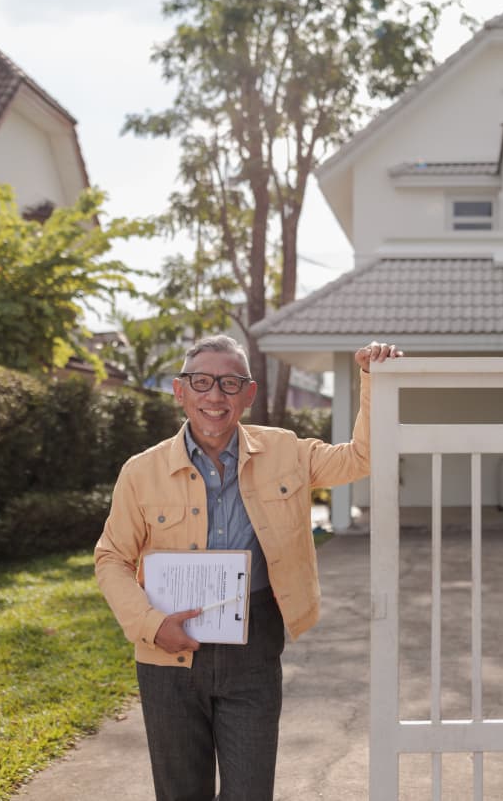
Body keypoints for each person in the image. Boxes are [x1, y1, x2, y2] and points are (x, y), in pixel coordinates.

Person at [95, 334, 402, 801]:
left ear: (249, 394)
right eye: (202, 382)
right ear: (180, 391)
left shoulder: (287, 452)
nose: (215, 396)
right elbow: (112, 557)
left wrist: (372, 379)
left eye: (230, 383)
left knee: (250, 792)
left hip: (253, 647)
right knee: (181, 792)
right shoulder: (141, 471)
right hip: (168, 653)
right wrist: (151, 625)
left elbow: (363, 457)